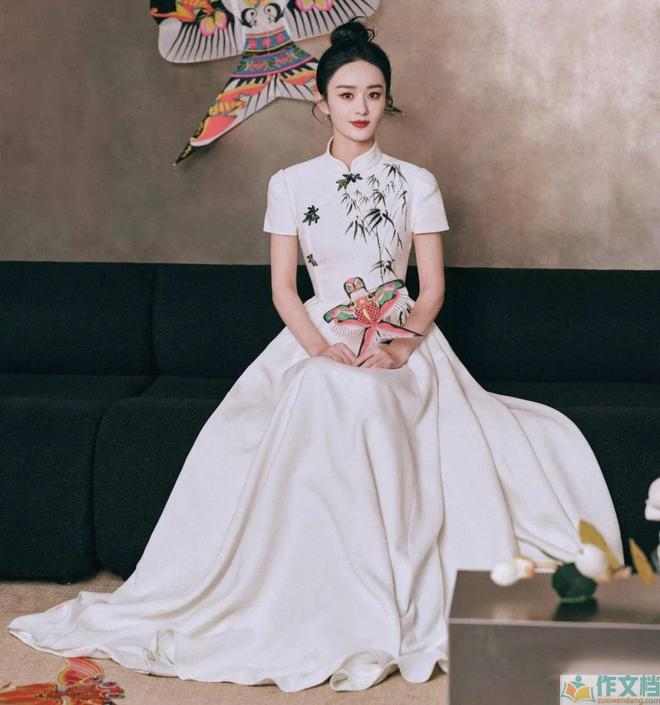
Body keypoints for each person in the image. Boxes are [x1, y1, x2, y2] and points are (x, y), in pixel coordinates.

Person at [7, 17, 624, 693]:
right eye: (347, 94)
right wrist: (321, 349)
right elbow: (283, 288)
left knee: (371, 394)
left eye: (374, 94)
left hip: (403, 340)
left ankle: (388, 586)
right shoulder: (291, 183)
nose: (362, 108)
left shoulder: (415, 181)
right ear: (322, 102)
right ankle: (318, 593)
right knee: (326, 388)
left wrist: (401, 346)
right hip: (317, 334)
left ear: (387, 100)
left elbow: (432, 288)